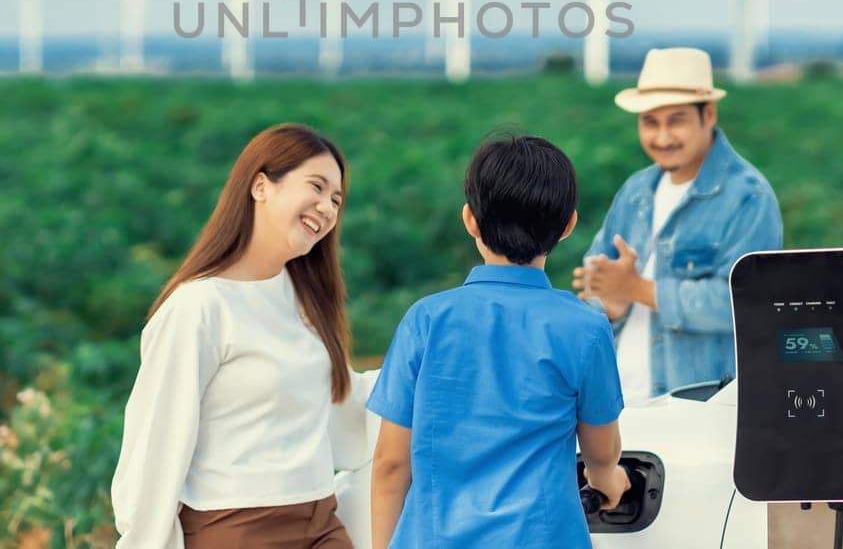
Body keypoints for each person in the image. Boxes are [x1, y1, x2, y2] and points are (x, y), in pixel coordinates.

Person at [110, 123, 371, 549]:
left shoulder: (303, 299)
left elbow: (349, 406)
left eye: (336, 199)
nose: (327, 207)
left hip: (322, 524)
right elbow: (157, 442)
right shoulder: (198, 306)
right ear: (260, 186)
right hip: (236, 530)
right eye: (317, 187)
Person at [366, 132, 630, 548]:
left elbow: (391, 466)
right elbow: (601, 453)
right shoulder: (585, 328)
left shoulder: (426, 320)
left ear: (470, 219)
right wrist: (609, 480)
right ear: (567, 226)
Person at [572, 47, 782, 403]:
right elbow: (597, 284)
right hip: (619, 404)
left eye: (677, 120)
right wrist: (610, 304)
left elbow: (747, 303)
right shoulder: (636, 191)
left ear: (709, 114)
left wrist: (639, 289)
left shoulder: (748, 197)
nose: (663, 137)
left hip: (697, 410)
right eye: (650, 122)